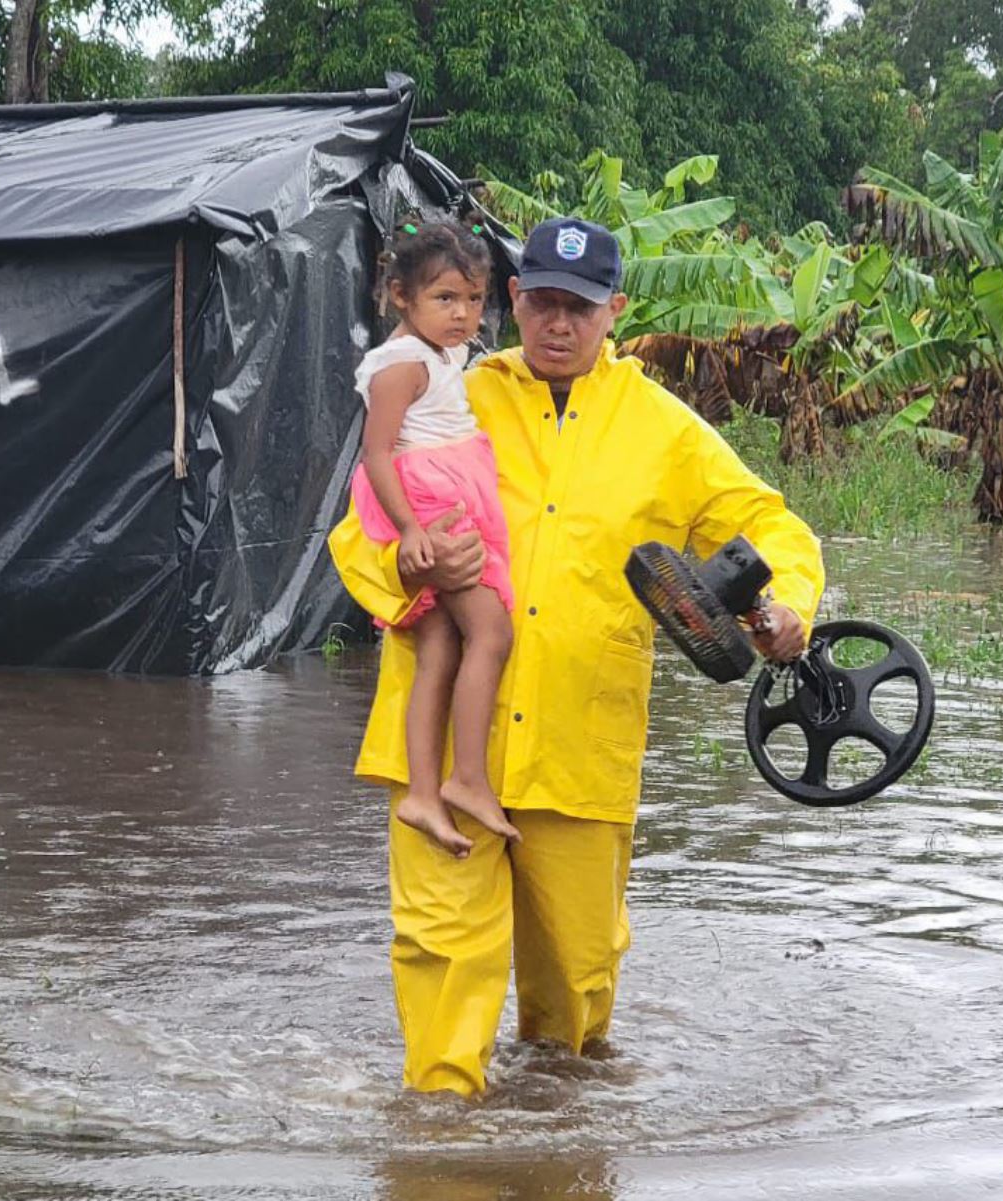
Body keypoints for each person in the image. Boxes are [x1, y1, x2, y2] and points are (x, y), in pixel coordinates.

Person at [328, 216, 824, 1096]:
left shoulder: (663, 431)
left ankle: (557, 1148)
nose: (560, 324)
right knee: (444, 955)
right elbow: (360, 519)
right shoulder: (454, 390)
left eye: (581, 308)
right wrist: (410, 565)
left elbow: (767, 523)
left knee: (576, 996)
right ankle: (441, 1142)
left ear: (615, 312)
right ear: (512, 301)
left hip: (579, 750)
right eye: (543, 303)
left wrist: (785, 607)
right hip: (441, 750)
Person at [350, 219, 523, 858]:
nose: (463, 315)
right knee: (492, 631)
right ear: (401, 296)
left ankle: (424, 792)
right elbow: (375, 455)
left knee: (442, 645)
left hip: (441, 488)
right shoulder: (401, 365)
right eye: (445, 299)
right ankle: (468, 777)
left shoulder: (443, 354)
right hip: (423, 498)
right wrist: (412, 530)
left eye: (475, 300)